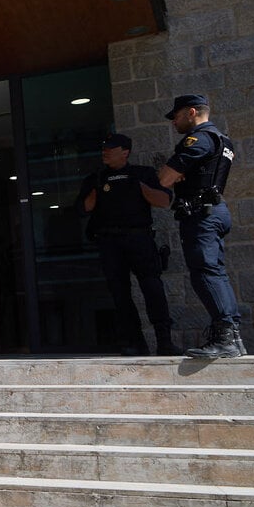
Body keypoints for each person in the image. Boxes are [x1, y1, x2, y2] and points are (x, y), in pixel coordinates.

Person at [157, 94, 243, 358]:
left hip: (201, 213)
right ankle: (232, 338)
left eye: (177, 116)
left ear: (191, 112)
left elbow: (164, 178)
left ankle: (226, 339)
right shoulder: (222, 139)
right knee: (216, 273)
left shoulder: (199, 139)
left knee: (205, 273)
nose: (174, 122)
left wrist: (174, 173)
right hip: (214, 209)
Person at [76, 133, 177, 355]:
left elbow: (163, 201)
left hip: (139, 238)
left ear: (125, 152)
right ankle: (135, 342)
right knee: (120, 293)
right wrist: (99, 187)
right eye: (104, 148)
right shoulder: (96, 178)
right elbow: (83, 209)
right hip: (109, 241)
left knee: (152, 288)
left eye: (111, 148)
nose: (106, 152)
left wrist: (137, 186)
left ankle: (164, 341)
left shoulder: (142, 174)